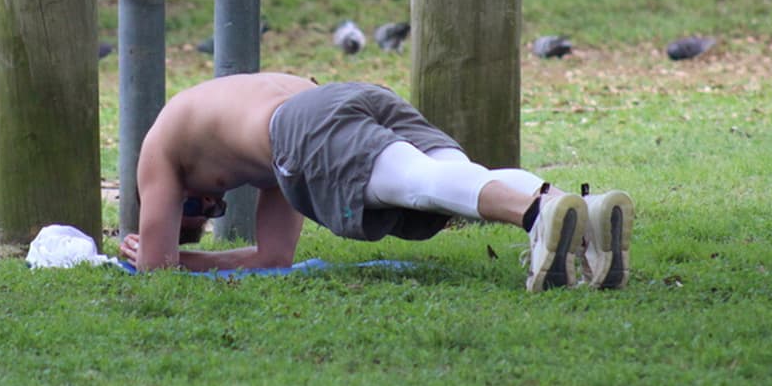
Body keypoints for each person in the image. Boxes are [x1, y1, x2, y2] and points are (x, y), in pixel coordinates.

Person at [119, 72, 634, 291]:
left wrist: (165, 255)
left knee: (418, 183)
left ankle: (537, 214)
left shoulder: (158, 150)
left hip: (302, 120)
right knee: (452, 180)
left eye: (195, 210)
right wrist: (189, 257)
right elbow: (274, 260)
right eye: (210, 215)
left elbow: (157, 272)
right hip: (351, 93)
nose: (212, 205)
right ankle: (575, 211)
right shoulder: (259, 158)